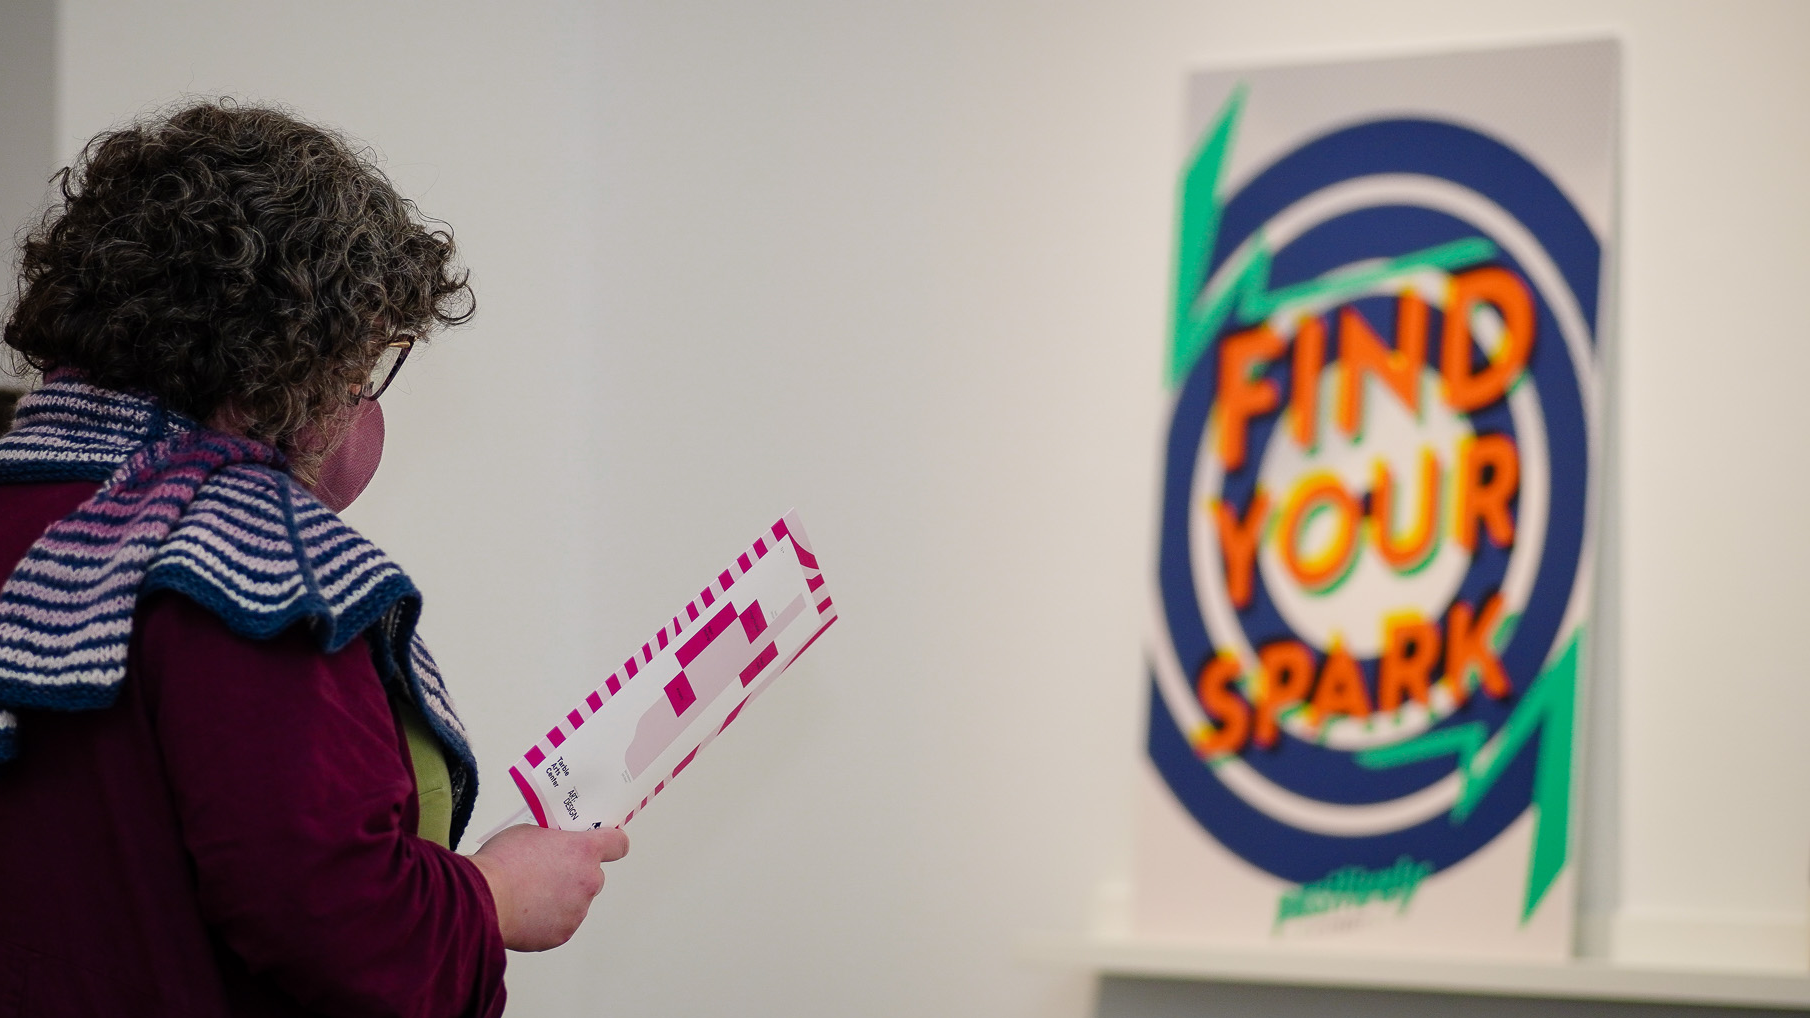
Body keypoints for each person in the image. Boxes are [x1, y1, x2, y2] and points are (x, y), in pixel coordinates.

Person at [0, 102, 625, 1017]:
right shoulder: (246, 559)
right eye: (365, 367)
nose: (366, 407)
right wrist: (494, 896)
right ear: (290, 365)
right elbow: (336, 919)